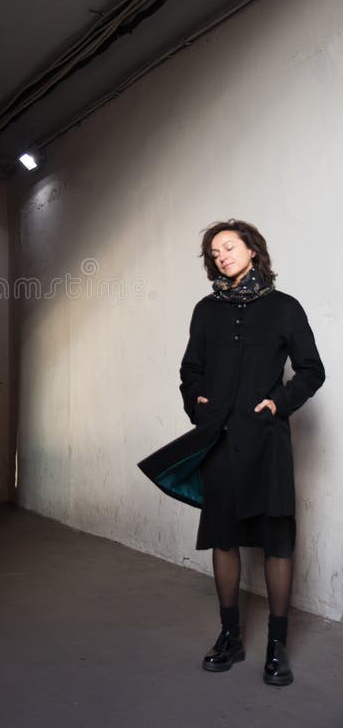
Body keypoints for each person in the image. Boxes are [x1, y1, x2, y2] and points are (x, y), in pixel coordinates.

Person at [139, 219, 324, 687]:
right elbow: (190, 370)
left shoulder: (285, 308)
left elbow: (311, 370)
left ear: (252, 250)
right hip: (218, 440)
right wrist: (197, 402)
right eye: (214, 252)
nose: (221, 255)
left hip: (267, 442)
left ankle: (278, 645)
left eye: (228, 247)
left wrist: (278, 403)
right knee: (223, 537)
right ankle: (229, 636)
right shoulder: (206, 311)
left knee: (277, 539)